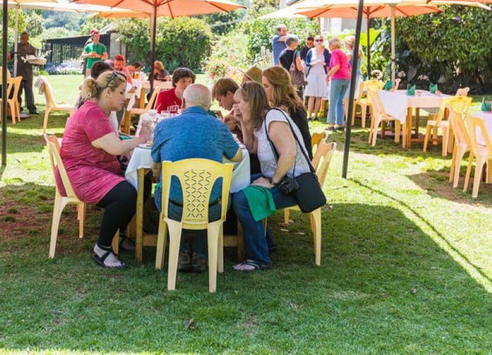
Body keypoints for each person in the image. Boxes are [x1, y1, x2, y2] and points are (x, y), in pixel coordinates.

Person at [58, 71, 149, 269]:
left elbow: (111, 144)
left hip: (91, 168)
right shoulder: (92, 113)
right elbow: (115, 148)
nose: (124, 98)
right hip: (80, 175)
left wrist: (125, 148)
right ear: (108, 92)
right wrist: (142, 138)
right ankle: (103, 248)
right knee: (126, 194)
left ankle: (121, 233)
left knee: (144, 181)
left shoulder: (98, 111)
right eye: (122, 93)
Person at [151, 84, 242, 272]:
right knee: (212, 196)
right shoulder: (218, 127)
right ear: (208, 106)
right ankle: (200, 253)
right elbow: (237, 156)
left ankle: (182, 251)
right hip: (212, 207)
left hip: (173, 206)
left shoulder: (164, 126)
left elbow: (155, 164)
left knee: (170, 192)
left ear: (183, 102)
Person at [230, 81, 314, 271]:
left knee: (243, 199)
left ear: (251, 101)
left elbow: (289, 153)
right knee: (235, 184)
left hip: (294, 183)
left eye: (239, 102)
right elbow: (251, 148)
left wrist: (272, 181)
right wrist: (242, 121)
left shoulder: (274, 119)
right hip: (279, 178)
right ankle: (266, 242)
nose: (236, 106)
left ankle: (259, 258)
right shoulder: (261, 121)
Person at [262, 66, 312, 157]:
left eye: (266, 86)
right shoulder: (288, 106)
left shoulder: (292, 111)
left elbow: (288, 151)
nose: (263, 90)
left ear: (277, 88)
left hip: (297, 166)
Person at [326, 37, 351, 131]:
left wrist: (328, 75)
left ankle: (331, 124)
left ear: (333, 44)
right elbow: (349, 67)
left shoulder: (335, 52)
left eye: (329, 44)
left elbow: (337, 66)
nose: (328, 46)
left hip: (338, 77)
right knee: (339, 101)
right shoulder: (343, 53)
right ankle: (340, 123)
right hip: (346, 77)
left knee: (332, 100)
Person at [10, 31, 39, 115]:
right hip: (18, 72)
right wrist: (8, 56)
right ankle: (18, 107)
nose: (22, 40)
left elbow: (34, 61)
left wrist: (36, 61)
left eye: (23, 39)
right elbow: (10, 55)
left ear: (27, 39)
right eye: (21, 38)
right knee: (17, 91)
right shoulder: (16, 47)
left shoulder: (32, 49)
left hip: (28, 73)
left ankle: (31, 108)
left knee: (29, 91)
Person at [304, 35, 330, 121]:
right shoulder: (310, 51)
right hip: (312, 73)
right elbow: (307, 63)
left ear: (323, 41)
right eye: (317, 40)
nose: (319, 42)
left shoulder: (326, 51)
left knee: (319, 96)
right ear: (314, 42)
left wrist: (324, 63)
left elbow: (329, 63)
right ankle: (309, 115)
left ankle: (316, 115)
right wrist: (315, 62)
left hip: (322, 74)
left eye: (321, 40)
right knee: (311, 95)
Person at [343, 35, 363, 118]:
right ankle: (349, 118)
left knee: (346, 98)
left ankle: (348, 118)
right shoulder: (358, 53)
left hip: (350, 76)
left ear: (349, 44)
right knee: (350, 98)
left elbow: (345, 65)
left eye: (345, 43)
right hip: (357, 76)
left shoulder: (349, 54)